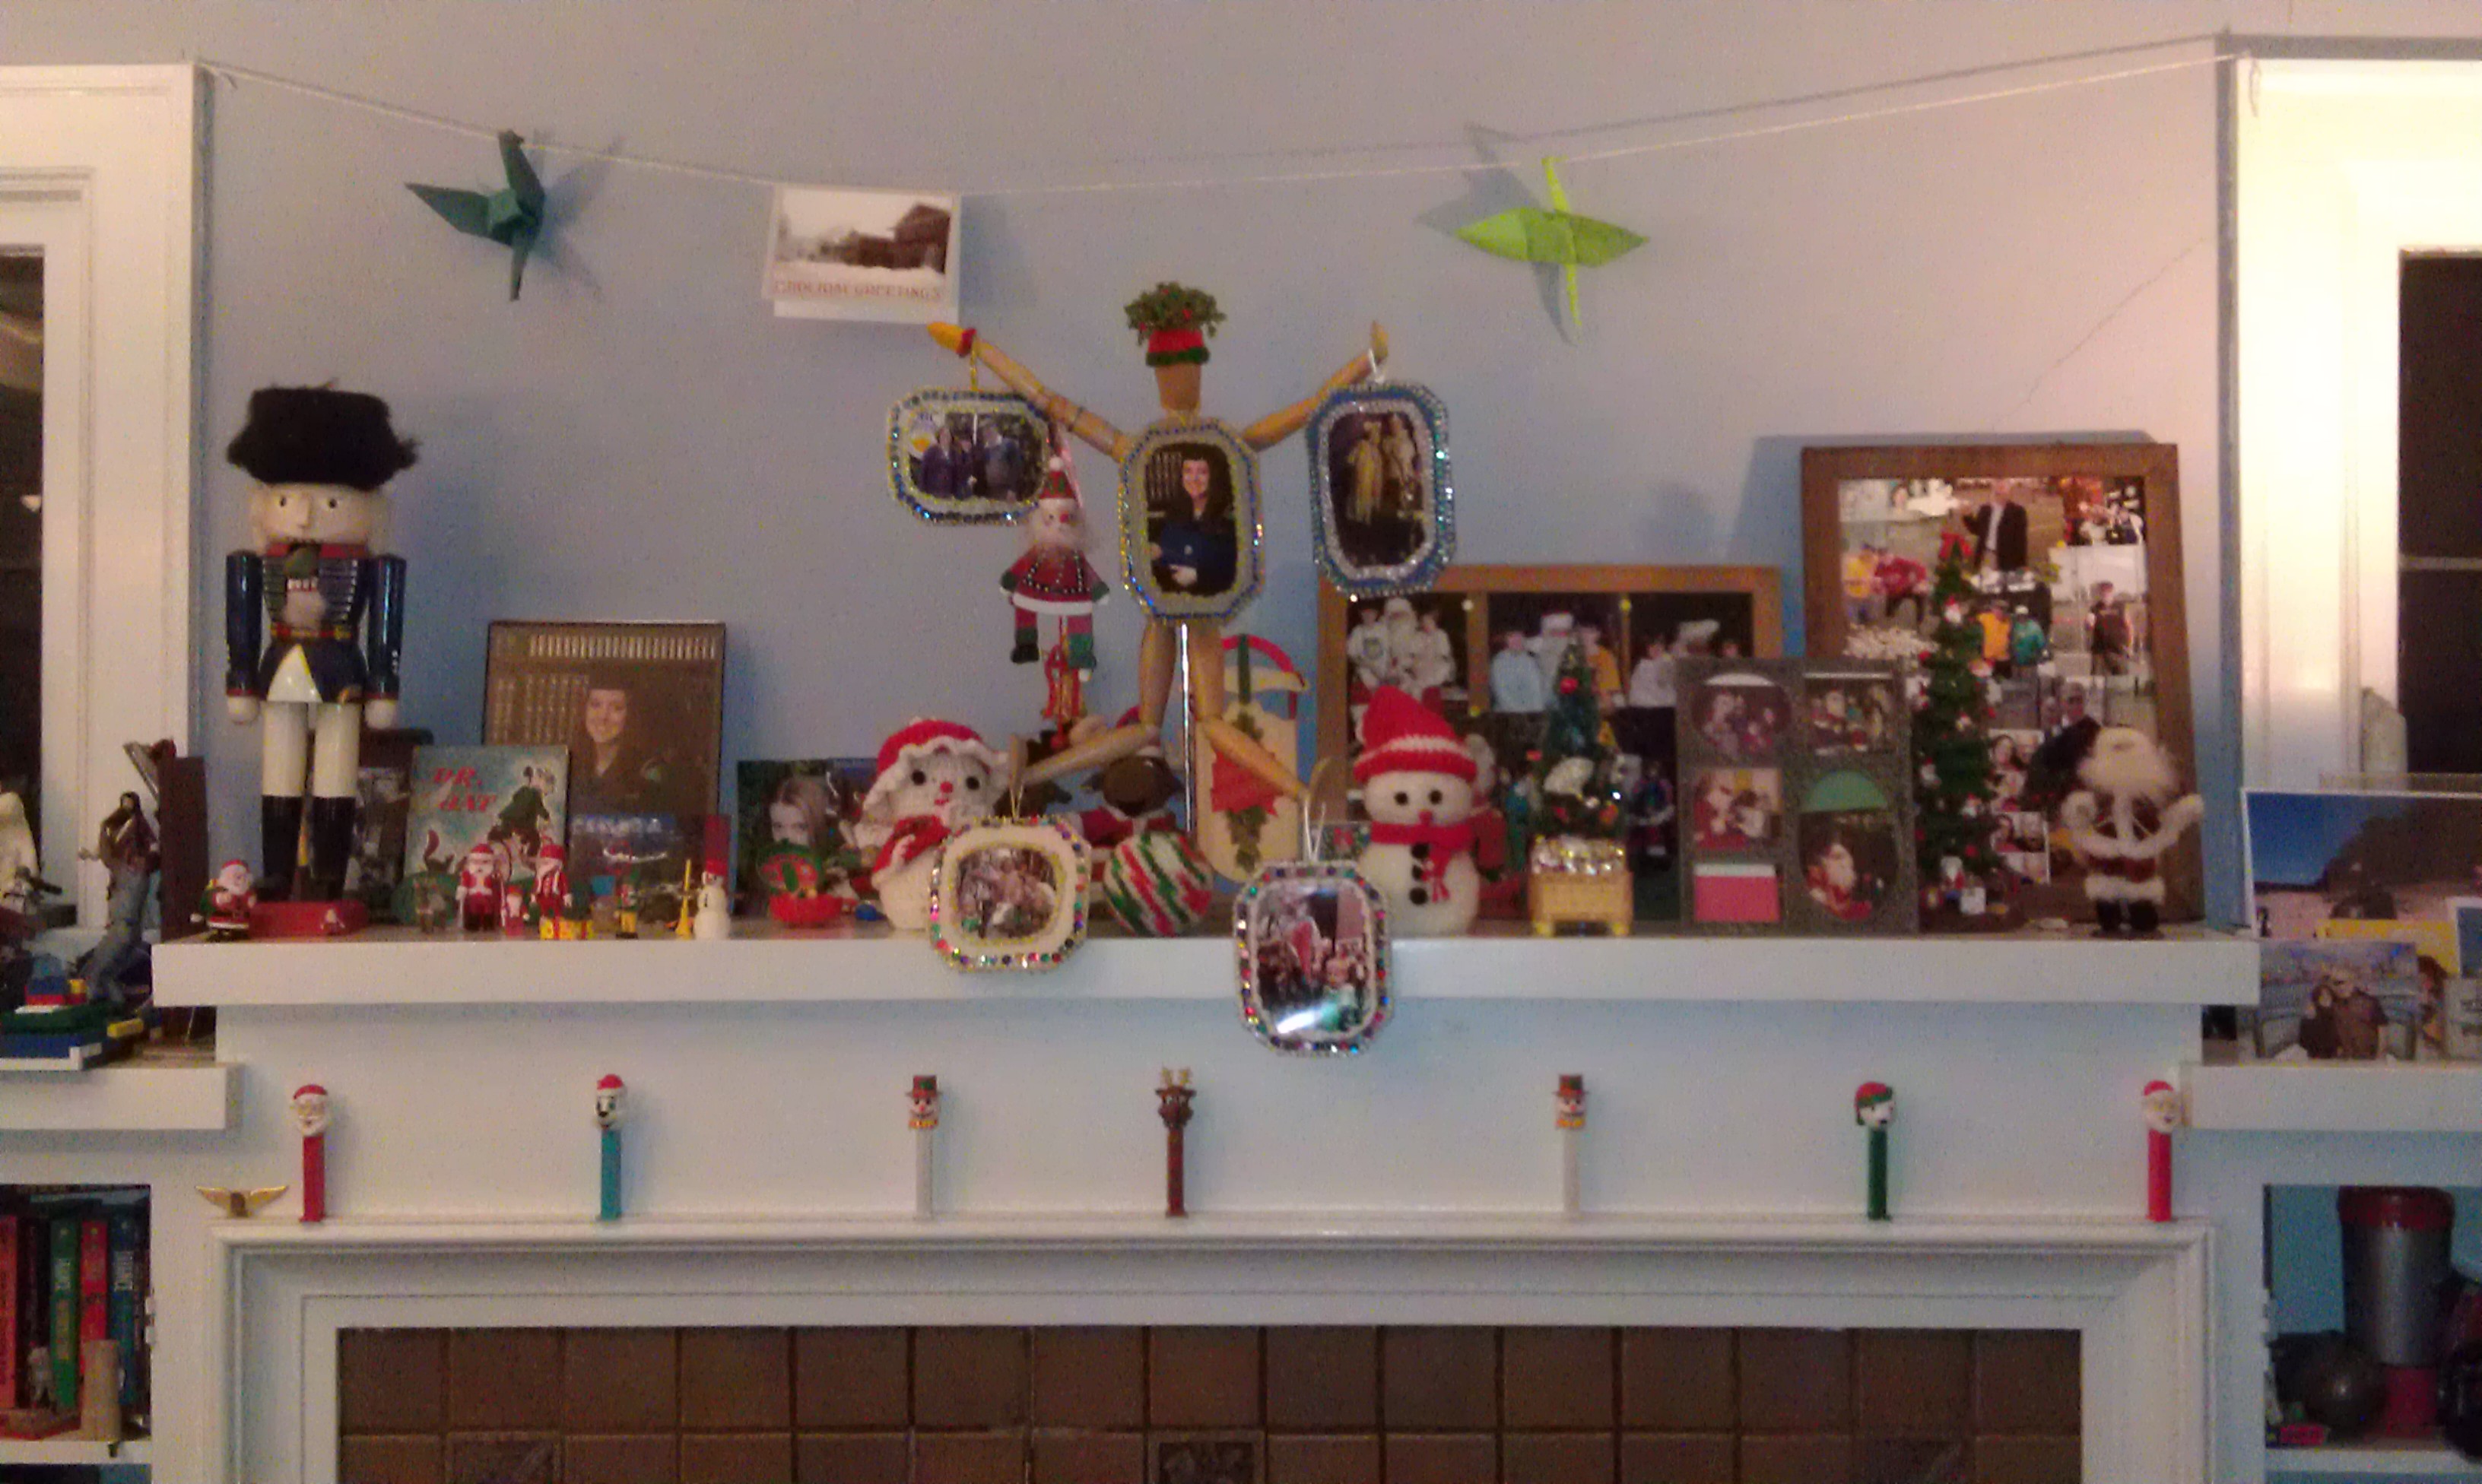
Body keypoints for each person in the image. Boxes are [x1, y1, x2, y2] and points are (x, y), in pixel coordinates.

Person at [568, 676, 680, 817]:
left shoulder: (648, 773)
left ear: (631, 714)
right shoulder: (571, 766)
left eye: (617, 708)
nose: (603, 717)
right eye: (595, 705)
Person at [1152, 451, 1237, 597]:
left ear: (1214, 476)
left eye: (1202, 472)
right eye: (1188, 471)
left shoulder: (1228, 519)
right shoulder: (1174, 513)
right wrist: (1158, 553)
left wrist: (1198, 575)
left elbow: (1235, 569)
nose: (1194, 479)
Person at [1490, 629, 1547, 714]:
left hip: (1531, 716)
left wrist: (1537, 714)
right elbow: (1502, 697)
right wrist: (1521, 715)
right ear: (1506, 639)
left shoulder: (1531, 662)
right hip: (1507, 716)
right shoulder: (1499, 663)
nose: (1516, 640)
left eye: (1519, 635)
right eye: (1511, 636)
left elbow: (1537, 693)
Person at [1628, 637, 1677, 709]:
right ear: (1647, 648)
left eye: (1659, 645)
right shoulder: (1642, 666)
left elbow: (1667, 681)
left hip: (1665, 703)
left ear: (1664, 647)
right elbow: (1635, 688)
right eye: (1652, 646)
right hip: (1645, 704)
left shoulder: (1668, 662)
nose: (1656, 649)